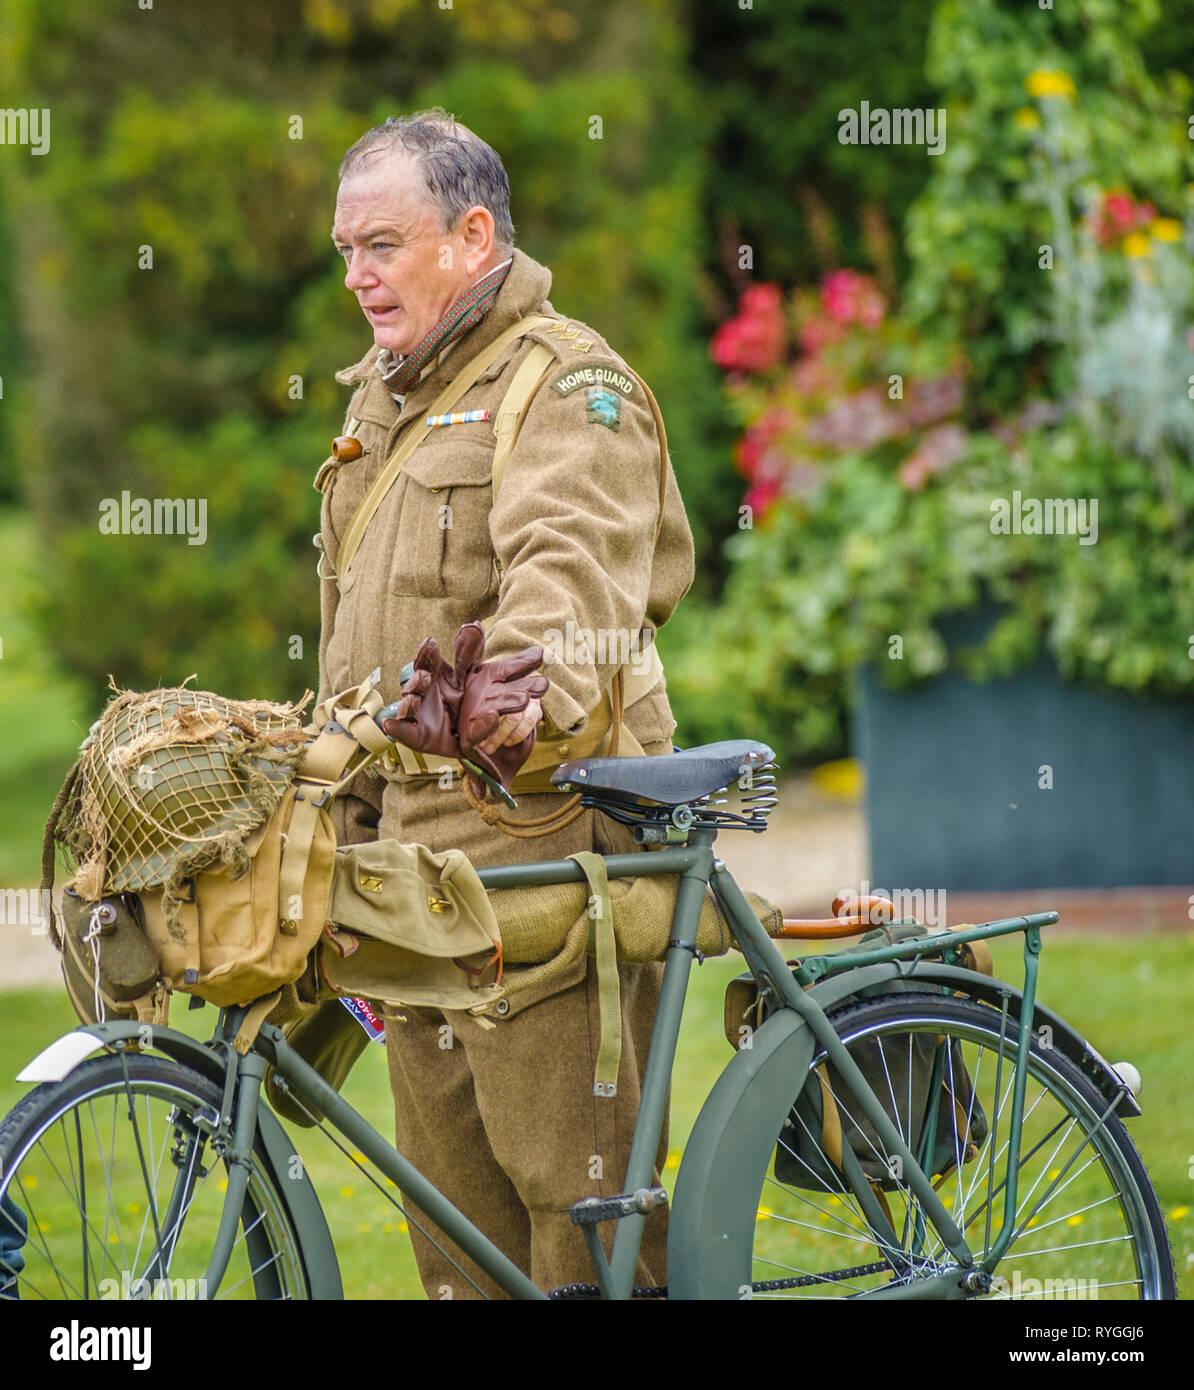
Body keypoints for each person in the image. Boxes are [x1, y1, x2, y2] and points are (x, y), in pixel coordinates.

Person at [316, 108, 695, 1298]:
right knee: (456, 1245)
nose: (358, 277)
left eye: (382, 245)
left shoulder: (571, 384)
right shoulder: (391, 402)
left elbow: (570, 571)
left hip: (537, 848)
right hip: (413, 868)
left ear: (472, 236)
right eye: (344, 251)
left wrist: (512, 698)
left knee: (580, 1221)